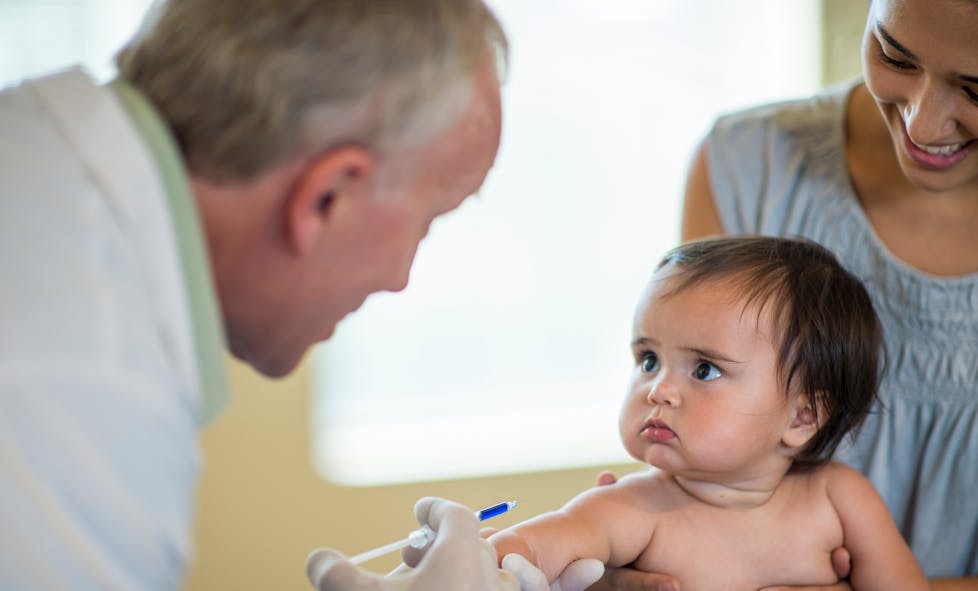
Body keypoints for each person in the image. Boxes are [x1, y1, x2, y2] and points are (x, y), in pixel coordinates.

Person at [0, 1, 570, 589]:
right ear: (328, 198)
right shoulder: (77, 383)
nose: (400, 279)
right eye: (427, 220)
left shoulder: (37, 165)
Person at [601, 0, 978, 589]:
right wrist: (628, 553)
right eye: (893, 55)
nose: (921, 123)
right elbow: (701, 445)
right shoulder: (747, 166)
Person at [488, 236, 928, 591]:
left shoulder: (839, 498)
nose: (659, 390)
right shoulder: (637, 506)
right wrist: (473, 557)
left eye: (704, 369)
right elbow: (542, 542)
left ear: (802, 418)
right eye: (648, 360)